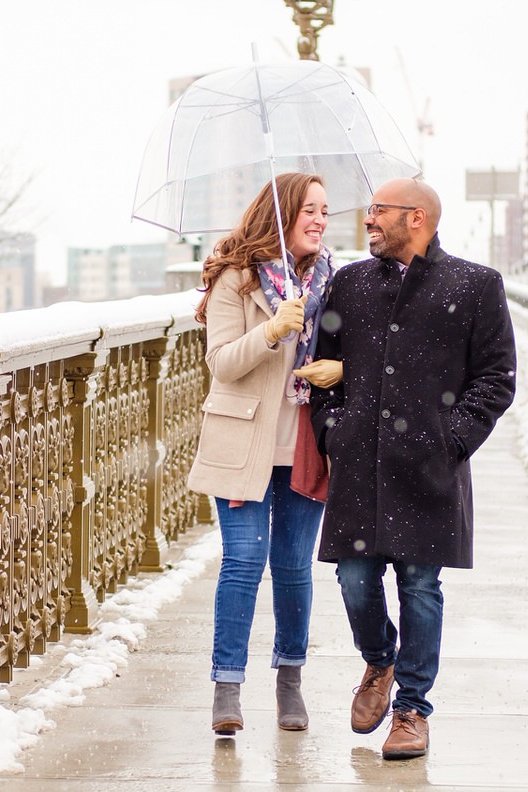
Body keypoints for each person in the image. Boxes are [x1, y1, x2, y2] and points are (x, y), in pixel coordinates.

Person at [307, 177, 517, 759]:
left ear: (417, 217)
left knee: (421, 586)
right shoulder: (350, 284)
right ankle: (380, 659)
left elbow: (497, 378)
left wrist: (450, 441)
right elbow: (322, 367)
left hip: (429, 469)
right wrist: (334, 431)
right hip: (360, 466)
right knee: (353, 578)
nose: (367, 221)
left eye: (378, 212)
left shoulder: (476, 285)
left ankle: (412, 710)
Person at [187, 172, 345, 736]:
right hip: (243, 443)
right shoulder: (238, 280)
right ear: (280, 214)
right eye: (308, 209)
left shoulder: (335, 282)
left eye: (326, 211)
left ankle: (289, 681)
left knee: (294, 566)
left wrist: (341, 368)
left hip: (305, 444)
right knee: (244, 561)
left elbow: (358, 355)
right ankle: (226, 686)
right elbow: (223, 364)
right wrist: (274, 329)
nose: (320, 220)